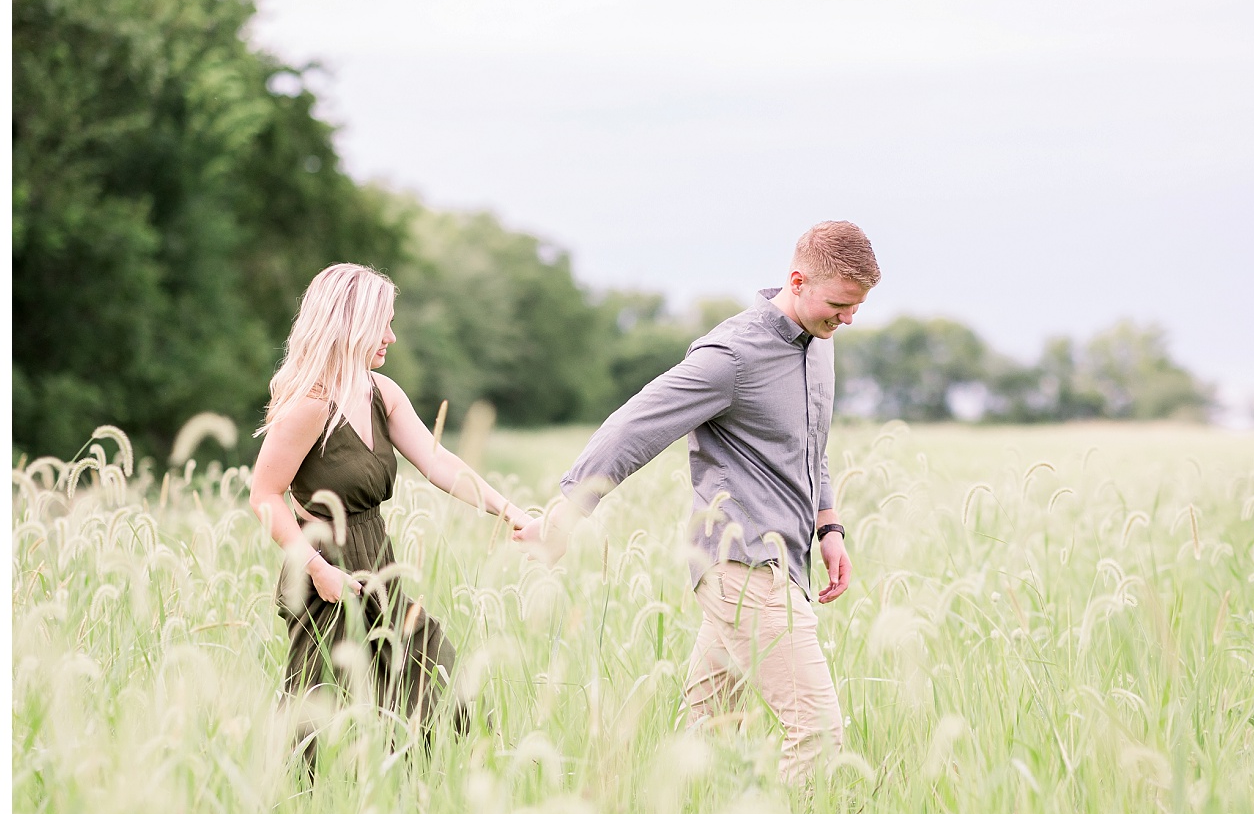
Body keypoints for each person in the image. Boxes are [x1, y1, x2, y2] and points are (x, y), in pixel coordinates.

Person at [516, 221, 880, 783]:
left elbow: (812, 447)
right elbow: (634, 427)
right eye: (839, 304)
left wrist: (829, 528)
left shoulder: (820, 345)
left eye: (857, 307)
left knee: (706, 731)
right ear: (797, 280)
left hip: (788, 560)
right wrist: (565, 515)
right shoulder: (730, 356)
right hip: (743, 565)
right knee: (818, 731)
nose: (848, 319)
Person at [249, 262, 531, 770]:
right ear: (352, 323)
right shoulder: (311, 405)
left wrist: (508, 511)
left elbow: (438, 462)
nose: (392, 336)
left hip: (380, 564)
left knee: (440, 689)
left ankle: (421, 801)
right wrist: (319, 570)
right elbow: (264, 496)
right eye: (384, 323)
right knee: (311, 721)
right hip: (325, 573)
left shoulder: (382, 393)